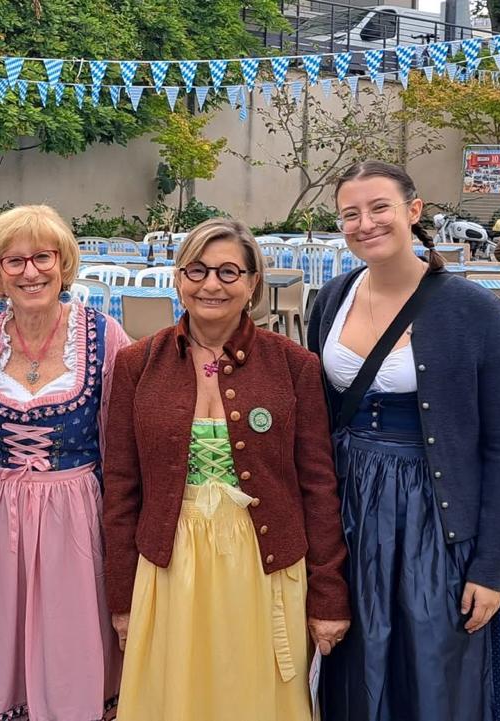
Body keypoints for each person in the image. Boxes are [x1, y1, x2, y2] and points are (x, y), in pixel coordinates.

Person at [310, 160, 500, 720]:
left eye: (379, 208)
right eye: (350, 214)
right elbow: (317, 417)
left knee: (439, 674)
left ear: (413, 211)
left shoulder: (475, 310)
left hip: (436, 518)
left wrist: (490, 567)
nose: (365, 223)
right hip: (350, 510)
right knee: (357, 669)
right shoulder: (331, 297)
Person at [102, 218, 350, 721]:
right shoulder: (137, 364)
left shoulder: (294, 365)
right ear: (178, 277)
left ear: (253, 282)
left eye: (228, 271)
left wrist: (328, 595)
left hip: (265, 566)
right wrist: (122, 597)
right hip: (168, 567)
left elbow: (318, 487)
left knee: (252, 700)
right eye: (196, 270)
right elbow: (122, 487)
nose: (211, 284)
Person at [0, 205, 129, 720]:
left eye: (42, 257)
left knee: (69, 651)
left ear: (64, 263)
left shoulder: (103, 335)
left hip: (76, 518)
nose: (29, 272)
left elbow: (126, 435)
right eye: (14, 261)